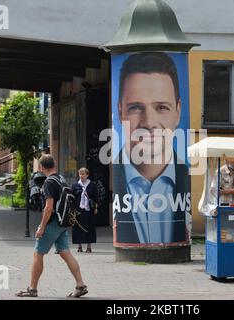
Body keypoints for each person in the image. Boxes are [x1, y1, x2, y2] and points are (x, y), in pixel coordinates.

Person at [113, 52, 190, 244]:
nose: (149, 122)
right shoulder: (114, 176)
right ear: (120, 111)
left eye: (162, 107)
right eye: (135, 108)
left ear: (178, 112)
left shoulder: (187, 177)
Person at [15, 154, 88, 298]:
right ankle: (80, 285)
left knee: (38, 253)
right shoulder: (61, 178)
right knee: (65, 252)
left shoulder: (48, 182)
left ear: (41, 167)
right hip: (63, 222)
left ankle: (32, 289)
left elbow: (48, 207)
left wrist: (42, 227)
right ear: (54, 164)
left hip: (52, 222)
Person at [72, 167, 98, 253]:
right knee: (78, 227)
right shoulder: (75, 185)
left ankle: (89, 247)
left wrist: (96, 208)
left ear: (87, 175)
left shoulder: (92, 185)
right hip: (78, 210)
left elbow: (96, 198)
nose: (81, 176)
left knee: (89, 227)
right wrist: (72, 209)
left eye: (83, 174)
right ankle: (79, 246)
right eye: (80, 174)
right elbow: (72, 198)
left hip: (89, 209)